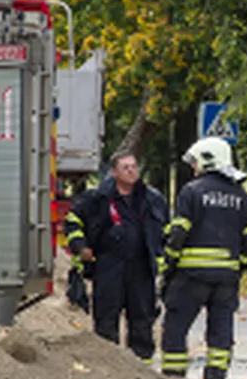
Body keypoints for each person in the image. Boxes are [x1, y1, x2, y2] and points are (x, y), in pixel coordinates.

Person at [160, 137, 247, 379]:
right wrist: (238, 265)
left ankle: (174, 378)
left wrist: (167, 264)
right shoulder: (240, 195)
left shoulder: (192, 191)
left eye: (195, 162)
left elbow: (179, 232)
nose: (194, 168)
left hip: (191, 276)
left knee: (175, 326)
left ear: (206, 159)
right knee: (220, 331)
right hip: (226, 279)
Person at [63, 151, 169, 361]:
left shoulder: (152, 198)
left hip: (141, 267)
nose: (131, 171)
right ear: (114, 172)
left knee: (142, 319)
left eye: (134, 166)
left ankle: (142, 365)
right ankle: (108, 365)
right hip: (108, 266)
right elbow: (73, 220)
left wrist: (163, 259)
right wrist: (81, 247)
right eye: (125, 167)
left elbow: (166, 230)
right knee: (106, 316)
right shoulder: (98, 198)